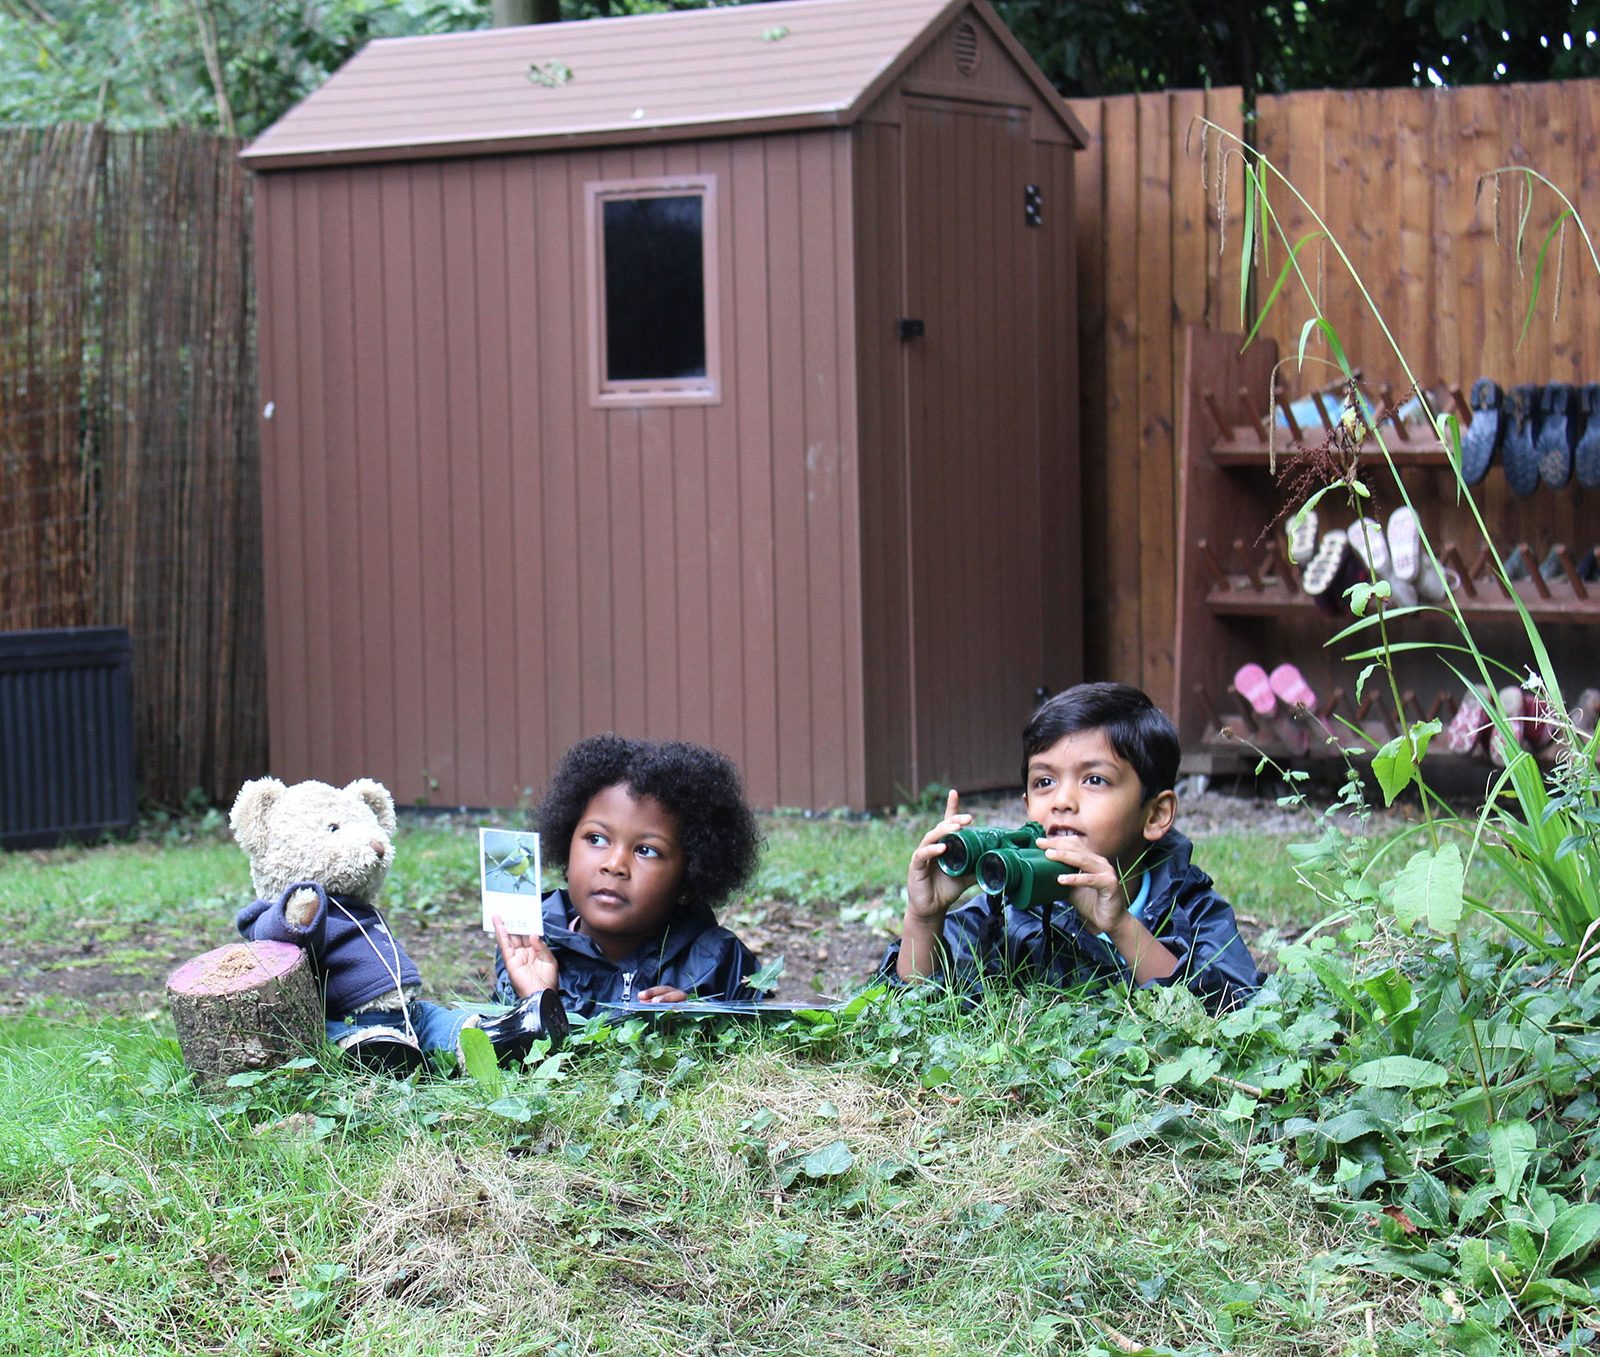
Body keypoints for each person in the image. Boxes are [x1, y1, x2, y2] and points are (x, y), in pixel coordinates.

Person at [886, 682, 1263, 1012]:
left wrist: (1120, 926)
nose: (1062, 800)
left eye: (1095, 779)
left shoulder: (1189, 906)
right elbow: (915, 1008)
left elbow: (1227, 1016)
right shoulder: (1004, 911)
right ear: (1027, 808)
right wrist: (924, 918)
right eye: (1044, 782)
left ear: (1155, 815)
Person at [493, 734, 764, 1017]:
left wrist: (695, 1024)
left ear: (688, 880)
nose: (614, 864)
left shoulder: (717, 962)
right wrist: (538, 1000)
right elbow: (509, 1054)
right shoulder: (530, 944)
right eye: (596, 839)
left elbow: (759, 1048)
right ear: (566, 846)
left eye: (646, 850)